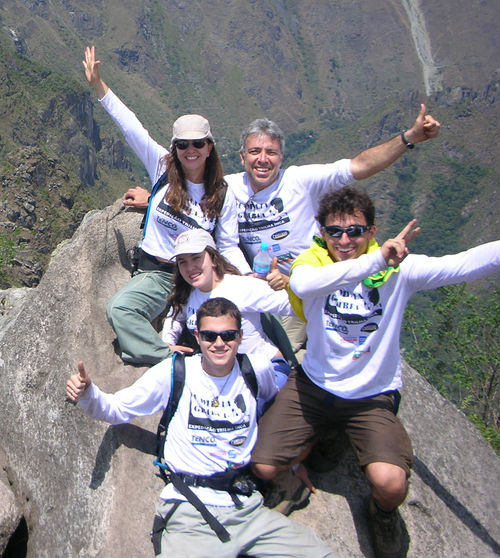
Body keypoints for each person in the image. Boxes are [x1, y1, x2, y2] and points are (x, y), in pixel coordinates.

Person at [250, 187, 500, 558]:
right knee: (262, 464)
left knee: (391, 484)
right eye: (335, 231)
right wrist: (377, 260)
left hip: (371, 396)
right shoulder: (313, 263)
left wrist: (385, 263)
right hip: (315, 386)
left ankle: (381, 516)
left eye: (355, 230)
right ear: (321, 233)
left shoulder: (400, 270)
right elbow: (302, 285)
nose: (345, 240)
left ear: (372, 231)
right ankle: (296, 480)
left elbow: (464, 263)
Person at [66, 297, 335, 558]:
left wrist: (293, 461)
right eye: (209, 336)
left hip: (248, 508)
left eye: (228, 335)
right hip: (190, 510)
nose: (219, 343)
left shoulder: (256, 369)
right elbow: (116, 409)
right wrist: (88, 393)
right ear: (197, 337)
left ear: (240, 336)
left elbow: (277, 409)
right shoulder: (174, 372)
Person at [82, 46, 251, 365]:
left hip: (198, 273)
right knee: (120, 308)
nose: (190, 150)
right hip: (160, 274)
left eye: (197, 143)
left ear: (209, 146)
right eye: (183, 144)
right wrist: (99, 86)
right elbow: (132, 128)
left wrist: (245, 276)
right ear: (174, 147)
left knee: (239, 320)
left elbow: (227, 245)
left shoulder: (220, 193)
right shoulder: (163, 169)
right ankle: (168, 358)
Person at [225, 110, 440, 352]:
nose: (263, 159)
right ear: (242, 158)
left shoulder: (300, 180)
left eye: (271, 152)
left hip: (311, 288)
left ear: (281, 157)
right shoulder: (229, 188)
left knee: (276, 352)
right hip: (261, 285)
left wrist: (409, 137)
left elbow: (359, 166)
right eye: (255, 152)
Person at [161, 228, 294, 412]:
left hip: (264, 369)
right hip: (224, 375)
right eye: (183, 262)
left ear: (213, 259)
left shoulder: (241, 287)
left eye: (196, 258)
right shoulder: (189, 293)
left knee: (242, 415)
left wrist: (288, 283)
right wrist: (167, 342)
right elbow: (175, 316)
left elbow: (294, 307)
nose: (190, 268)